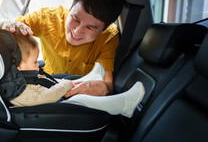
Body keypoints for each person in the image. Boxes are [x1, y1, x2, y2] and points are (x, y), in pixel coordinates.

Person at [0, 0, 125, 97]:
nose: (77, 31)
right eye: (75, 18)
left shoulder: (110, 37)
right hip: (46, 86)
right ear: (71, 7)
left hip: (80, 97)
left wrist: (104, 89)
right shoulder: (47, 18)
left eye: (90, 27)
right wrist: (5, 23)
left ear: (105, 28)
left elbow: (108, 84)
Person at [10, 32, 145, 118]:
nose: (38, 64)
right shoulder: (18, 91)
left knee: (62, 81)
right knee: (82, 100)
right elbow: (43, 98)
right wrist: (64, 85)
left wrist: (64, 83)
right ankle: (125, 104)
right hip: (50, 110)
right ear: (18, 66)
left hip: (54, 100)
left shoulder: (22, 78)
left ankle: (92, 78)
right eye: (34, 61)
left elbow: (44, 83)